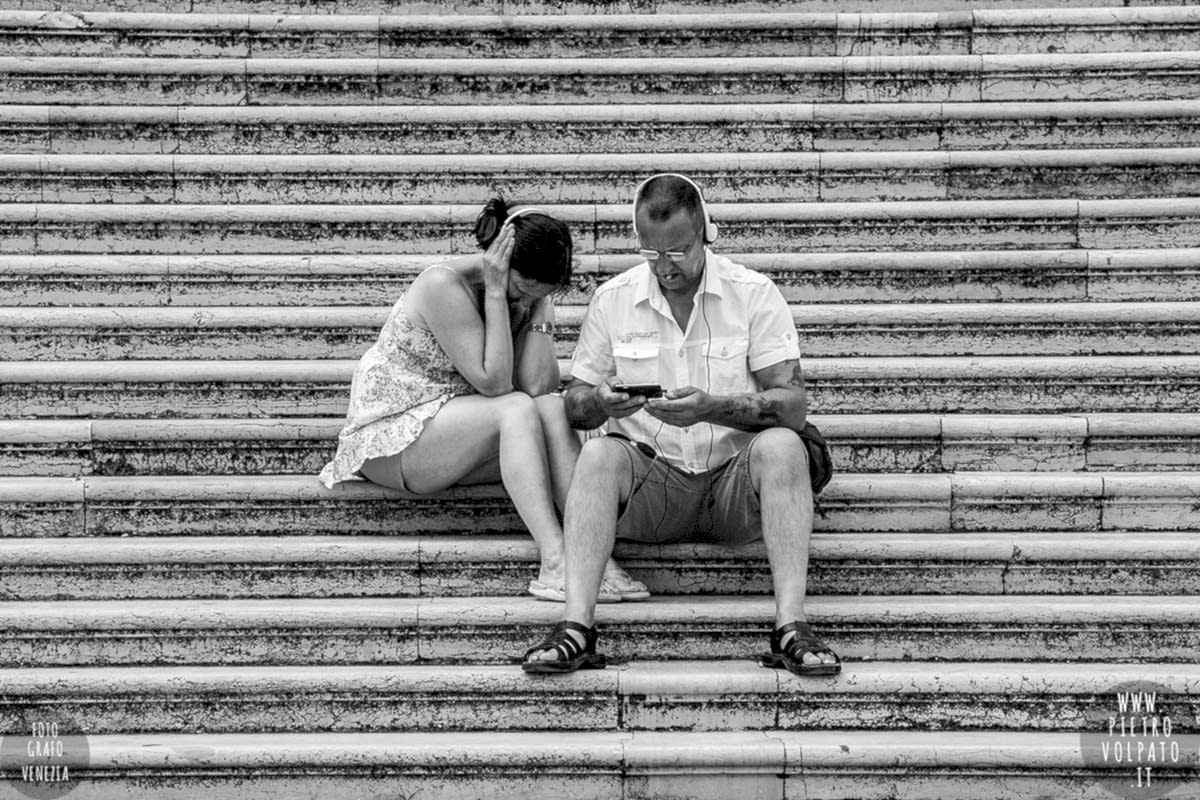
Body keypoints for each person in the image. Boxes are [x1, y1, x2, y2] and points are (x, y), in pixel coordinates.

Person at [521, 174, 840, 675]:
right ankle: (577, 626)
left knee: (782, 444)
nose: (665, 267)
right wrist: (602, 402)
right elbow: (575, 403)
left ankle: (791, 626)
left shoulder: (753, 294)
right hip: (653, 484)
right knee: (600, 452)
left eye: (678, 252)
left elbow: (793, 405)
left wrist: (711, 407)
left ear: (706, 232)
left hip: (734, 485)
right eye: (651, 253)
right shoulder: (614, 298)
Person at [319, 198, 648, 603]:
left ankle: (594, 556)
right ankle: (556, 560)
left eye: (537, 295)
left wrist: (539, 307)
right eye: (522, 290)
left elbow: (538, 387)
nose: (522, 301)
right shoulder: (443, 285)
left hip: (457, 433)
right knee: (514, 408)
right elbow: (495, 385)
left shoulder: (526, 297)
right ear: (498, 260)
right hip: (393, 439)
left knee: (548, 408)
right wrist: (495, 292)